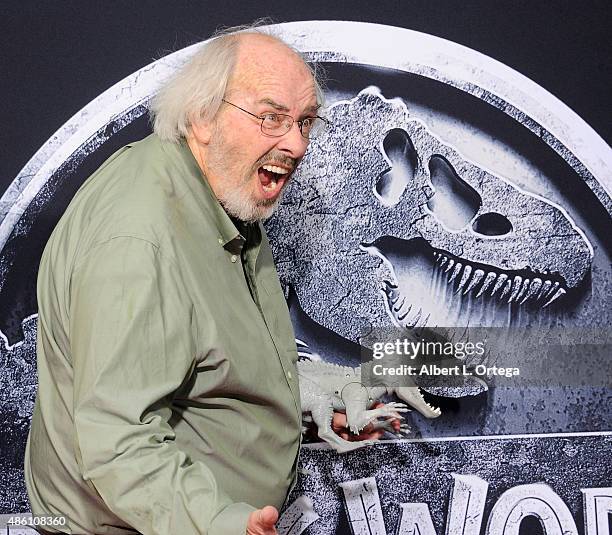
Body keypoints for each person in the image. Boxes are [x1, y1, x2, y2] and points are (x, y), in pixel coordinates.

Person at [25, 25, 386, 535]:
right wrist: (219, 522)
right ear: (202, 116)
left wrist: (300, 413)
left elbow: (207, 364)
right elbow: (117, 438)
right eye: (272, 118)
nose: (297, 144)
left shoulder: (225, 196)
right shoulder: (140, 242)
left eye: (305, 122)